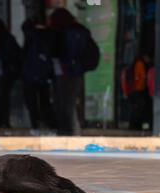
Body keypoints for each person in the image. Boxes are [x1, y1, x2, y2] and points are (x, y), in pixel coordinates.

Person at [49, 8, 100, 136]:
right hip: (74, 71)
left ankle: (69, 131)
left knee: (66, 103)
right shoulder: (78, 30)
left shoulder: (64, 31)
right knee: (70, 102)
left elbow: (60, 52)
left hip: (67, 71)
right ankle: (71, 130)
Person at [21, 18, 56, 130]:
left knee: (33, 103)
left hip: (32, 75)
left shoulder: (32, 38)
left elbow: (29, 57)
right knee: (44, 102)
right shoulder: (45, 36)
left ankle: (37, 124)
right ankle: (46, 124)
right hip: (43, 76)